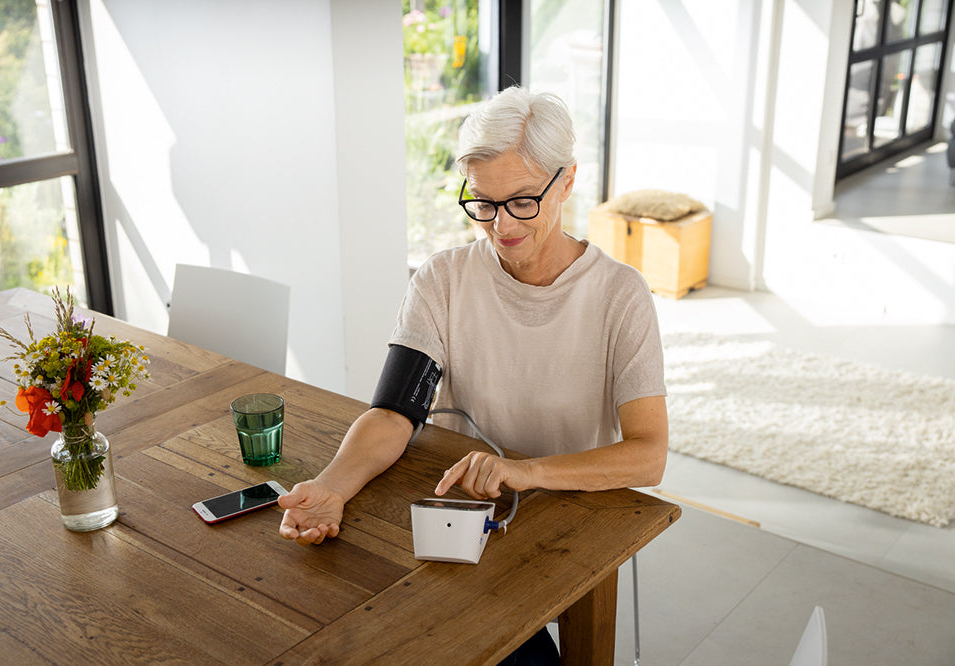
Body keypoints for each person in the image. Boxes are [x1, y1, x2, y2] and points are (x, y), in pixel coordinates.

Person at [277, 86, 668, 663]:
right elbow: (393, 413)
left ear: (566, 182)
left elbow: (648, 455)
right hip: (465, 514)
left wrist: (523, 470)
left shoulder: (620, 295)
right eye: (483, 202)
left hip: (570, 514)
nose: (500, 225)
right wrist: (333, 487)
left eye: (522, 201)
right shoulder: (443, 279)